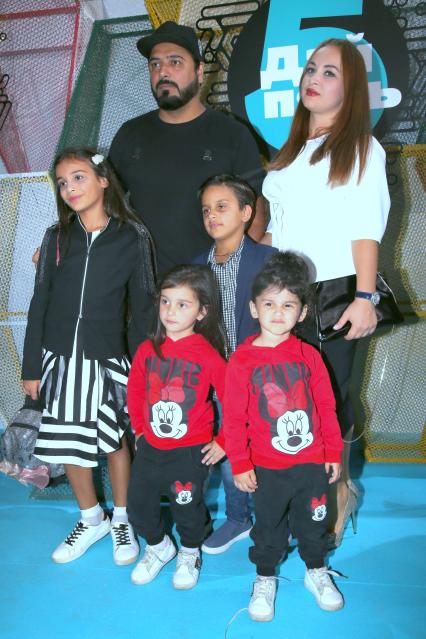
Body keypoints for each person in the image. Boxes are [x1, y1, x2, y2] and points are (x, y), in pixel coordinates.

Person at [261, 38, 390, 547]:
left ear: (351, 87)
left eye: (329, 72)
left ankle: (338, 496)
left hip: (338, 291)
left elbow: (366, 229)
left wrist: (366, 297)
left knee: (330, 400)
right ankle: (302, 495)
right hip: (286, 293)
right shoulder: (290, 152)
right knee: (290, 401)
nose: (313, 78)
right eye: (311, 68)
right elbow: (278, 231)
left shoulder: (362, 147)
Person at [21, 147, 156, 566]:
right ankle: (91, 517)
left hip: (107, 357)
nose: (70, 188)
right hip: (58, 358)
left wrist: (145, 368)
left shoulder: (132, 236)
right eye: (62, 183)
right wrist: (31, 366)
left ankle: (122, 519)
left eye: (78, 177)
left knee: (114, 441)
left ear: (103, 180)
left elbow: (144, 308)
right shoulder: (55, 238)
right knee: (69, 441)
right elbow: (39, 303)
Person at [223, 252, 344, 622]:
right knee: (269, 526)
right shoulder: (242, 360)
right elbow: (233, 417)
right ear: (254, 308)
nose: (278, 312)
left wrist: (332, 451)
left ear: (302, 312)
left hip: (310, 463)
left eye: (288, 304)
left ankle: (316, 571)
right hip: (267, 467)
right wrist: (240, 462)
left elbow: (326, 406)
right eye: (269, 304)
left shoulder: (309, 356)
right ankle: (264, 577)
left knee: (314, 521)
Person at [109, 21, 267, 276]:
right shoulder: (129, 134)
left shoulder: (232, 134)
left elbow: (257, 215)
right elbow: (104, 206)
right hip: (145, 289)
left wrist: (228, 278)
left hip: (209, 287)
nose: (163, 71)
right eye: (155, 64)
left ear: (199, 71)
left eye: (175, 62)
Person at [126, 265, 227, 590]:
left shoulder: (207, 354)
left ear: (202, 312)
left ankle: (190, 551)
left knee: (187, 507)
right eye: (166, 301)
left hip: (190, 451)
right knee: (137, 506)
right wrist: (139, 430)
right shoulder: (147, 349)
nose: (170, 311)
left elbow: (235, 399)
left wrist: (224, 440)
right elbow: (135, 391)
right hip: (151, 446)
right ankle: (159, 547)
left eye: (183, 304)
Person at [193, 174, 276, 554]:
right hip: (214, 379)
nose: (212, 215)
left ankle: (275, 517)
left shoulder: (268, 261)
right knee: (225, 448)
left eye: (221, 207)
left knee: (264, 447)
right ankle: (238, 518)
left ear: (246, 212)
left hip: (258, 376)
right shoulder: (196, 268)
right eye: (206, 210)